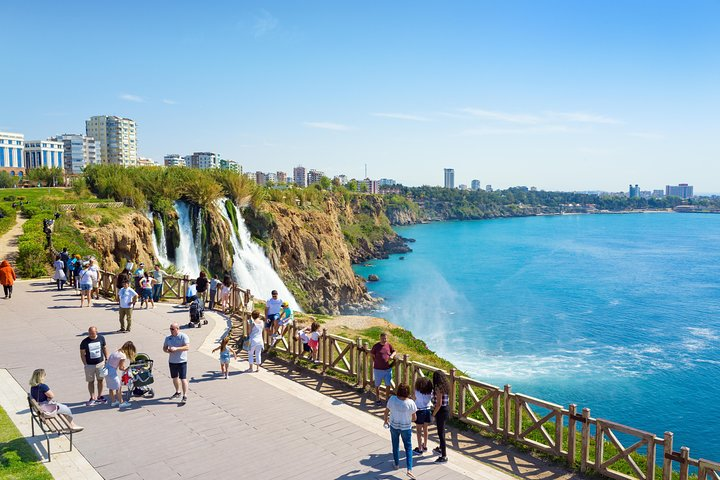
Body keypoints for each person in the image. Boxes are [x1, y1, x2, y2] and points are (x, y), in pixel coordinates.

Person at [384, 383, 417, 478]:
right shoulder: (411, 403)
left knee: (395, 445)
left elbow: (386, 412)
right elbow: (414, 418)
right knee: (408, 447)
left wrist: (386, 421)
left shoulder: (392, 399)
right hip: (406, 428)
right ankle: (409, 469)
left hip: (394, 426)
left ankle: (396, 464)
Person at [80, 326, 109, 406]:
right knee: (91, 381)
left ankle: (99, 396)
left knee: (100, 380)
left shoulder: (101, 338)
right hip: (89, 365)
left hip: (100, 363)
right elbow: (82, 354)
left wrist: (106, 358)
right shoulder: (84, 342)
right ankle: (92, 397)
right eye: (90, 333)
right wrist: (85, 364)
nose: (91, 335)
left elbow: (104, 348)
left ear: (96, 332)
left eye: (93, 333)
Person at [163, 323, 190, 404]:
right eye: (170, 329)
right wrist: (168, 351)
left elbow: (187, 347)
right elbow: (164, 348)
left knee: (183, 379)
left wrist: (176, 349)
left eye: (172, 329)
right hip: (172, 361)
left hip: (182, 361)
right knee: (174, 378)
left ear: (177, 329)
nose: (171, 330)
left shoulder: (183, 336)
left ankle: (185, 395)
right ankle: (178, 392)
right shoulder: (168, 338)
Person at [106, 341, 136, 408]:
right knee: (118, 387)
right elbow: (121, 368)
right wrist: (127, 369)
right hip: (112, 372)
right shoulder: (123, 355)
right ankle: (121, 402)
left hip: (106, 370)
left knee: (111, 387)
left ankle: (113, 402)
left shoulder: (117, 352)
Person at [371, 332, 396, 405]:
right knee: (377, 385)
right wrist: (375, 361)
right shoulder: (376, 346)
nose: (384, 340)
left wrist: (392, 355)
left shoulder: (389, 345)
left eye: (385, 338)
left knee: (388, 385)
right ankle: (377, 397)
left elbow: (394, 351)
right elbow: (372, 354)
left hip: (387, 370)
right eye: (382, 338)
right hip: (378, 369)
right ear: (380, 338)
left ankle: (387, 398)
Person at [431, 370, 451, 463]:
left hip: (441, 411)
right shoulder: (445, 386)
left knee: (441, 433)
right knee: (441, 430)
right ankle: (440, 448)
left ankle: (444, 456)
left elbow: (438, 404)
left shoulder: (438, 388)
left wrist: (433, 414)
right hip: (446, 409)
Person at [412, 376, 434, 455]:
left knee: (418, 430)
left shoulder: (417, 391)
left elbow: (413, 397)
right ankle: (425, 445)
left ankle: (419, 448)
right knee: (425, 429)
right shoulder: (430, 392)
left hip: (419, 411)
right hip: (427, 410)